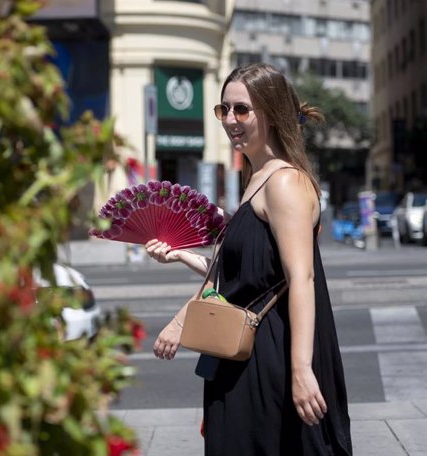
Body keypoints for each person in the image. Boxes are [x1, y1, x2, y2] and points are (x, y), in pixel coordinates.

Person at [145, 63, 352, 455]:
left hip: (269, 357)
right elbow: (248, 278)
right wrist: (182, 255)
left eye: (242, 109)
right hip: (239, 353)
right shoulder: (255, 180)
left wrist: (301, 369)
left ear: (271, 112)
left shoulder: (285, 182)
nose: (231, 120)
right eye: (224, 109)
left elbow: (302, 279)